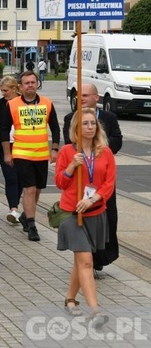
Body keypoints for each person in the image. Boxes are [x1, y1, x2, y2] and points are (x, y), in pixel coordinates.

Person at [55, 108, 115, 326]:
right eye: (86, 124)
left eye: (93, 124)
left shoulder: (105, 152)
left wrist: (93, 199)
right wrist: (72, 167)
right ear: (77, 128)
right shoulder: (68, 152)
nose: (90, 127)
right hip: (71, 213)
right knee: (86, 261)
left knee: (81, 261)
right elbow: (60, 182)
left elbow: (109, 183)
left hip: (95, 211)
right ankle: (95, 311)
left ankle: (71, 299)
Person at [62, 84, 122, 271]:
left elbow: (117, 140)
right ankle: (87, 259)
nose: (82, 98)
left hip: (101, 180)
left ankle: (101, 256)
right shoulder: (70, 118)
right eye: (80, 95)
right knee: (83, 223)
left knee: (108, 220)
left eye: (86, 95)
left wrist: (99, 148)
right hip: (80, 183)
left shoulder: (109, 118)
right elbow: (69, 142)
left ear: (97, 98)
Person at [0, 70, 60, 242]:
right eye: (27, 83)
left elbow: (55, 127)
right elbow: (3, 130)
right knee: (29, 189)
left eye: (33, 82)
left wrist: (55, 149)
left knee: (38, 189)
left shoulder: (47, 103)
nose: (30, 85)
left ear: (37, 84)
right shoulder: (12, 105)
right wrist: (7, 153)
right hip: (21, 153)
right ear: (20, 86)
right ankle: (32, 226)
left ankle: (26, 215)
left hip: (41, 154)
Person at [0, 76, 22, 224]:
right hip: (4, 147)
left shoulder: (23, 103)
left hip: (22, 146)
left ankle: (18, 206)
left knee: (21, 179)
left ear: (15, 88)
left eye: (6, 90)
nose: (3, 93)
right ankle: (13, 209)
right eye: (2, 91)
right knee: (11, 178)